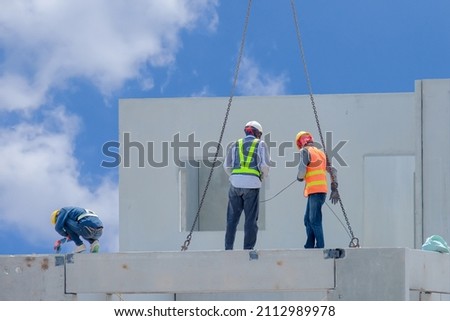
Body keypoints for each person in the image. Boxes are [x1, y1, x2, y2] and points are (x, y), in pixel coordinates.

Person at [223, 120, 271, 250]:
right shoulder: (260, 144)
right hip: (252, 185)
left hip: (235, 185)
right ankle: (248, 249)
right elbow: (265, 165)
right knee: (250, 220)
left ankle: (228, 249)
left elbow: (227, 166)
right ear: (258, 133)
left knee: (232, 220)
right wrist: (263, 176)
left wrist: (234, 177)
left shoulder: (235, 144)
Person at [295, 131, 339, 249]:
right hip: (318, 191)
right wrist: (334, 187)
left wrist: (299, 177)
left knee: (314, 220)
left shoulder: (305, 151)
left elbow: (302, 170)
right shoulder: (320, 153)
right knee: (308, 219)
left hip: (315, 191)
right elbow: (333, 170)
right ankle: (309, 244)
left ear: (300, 143)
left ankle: (320, 246)